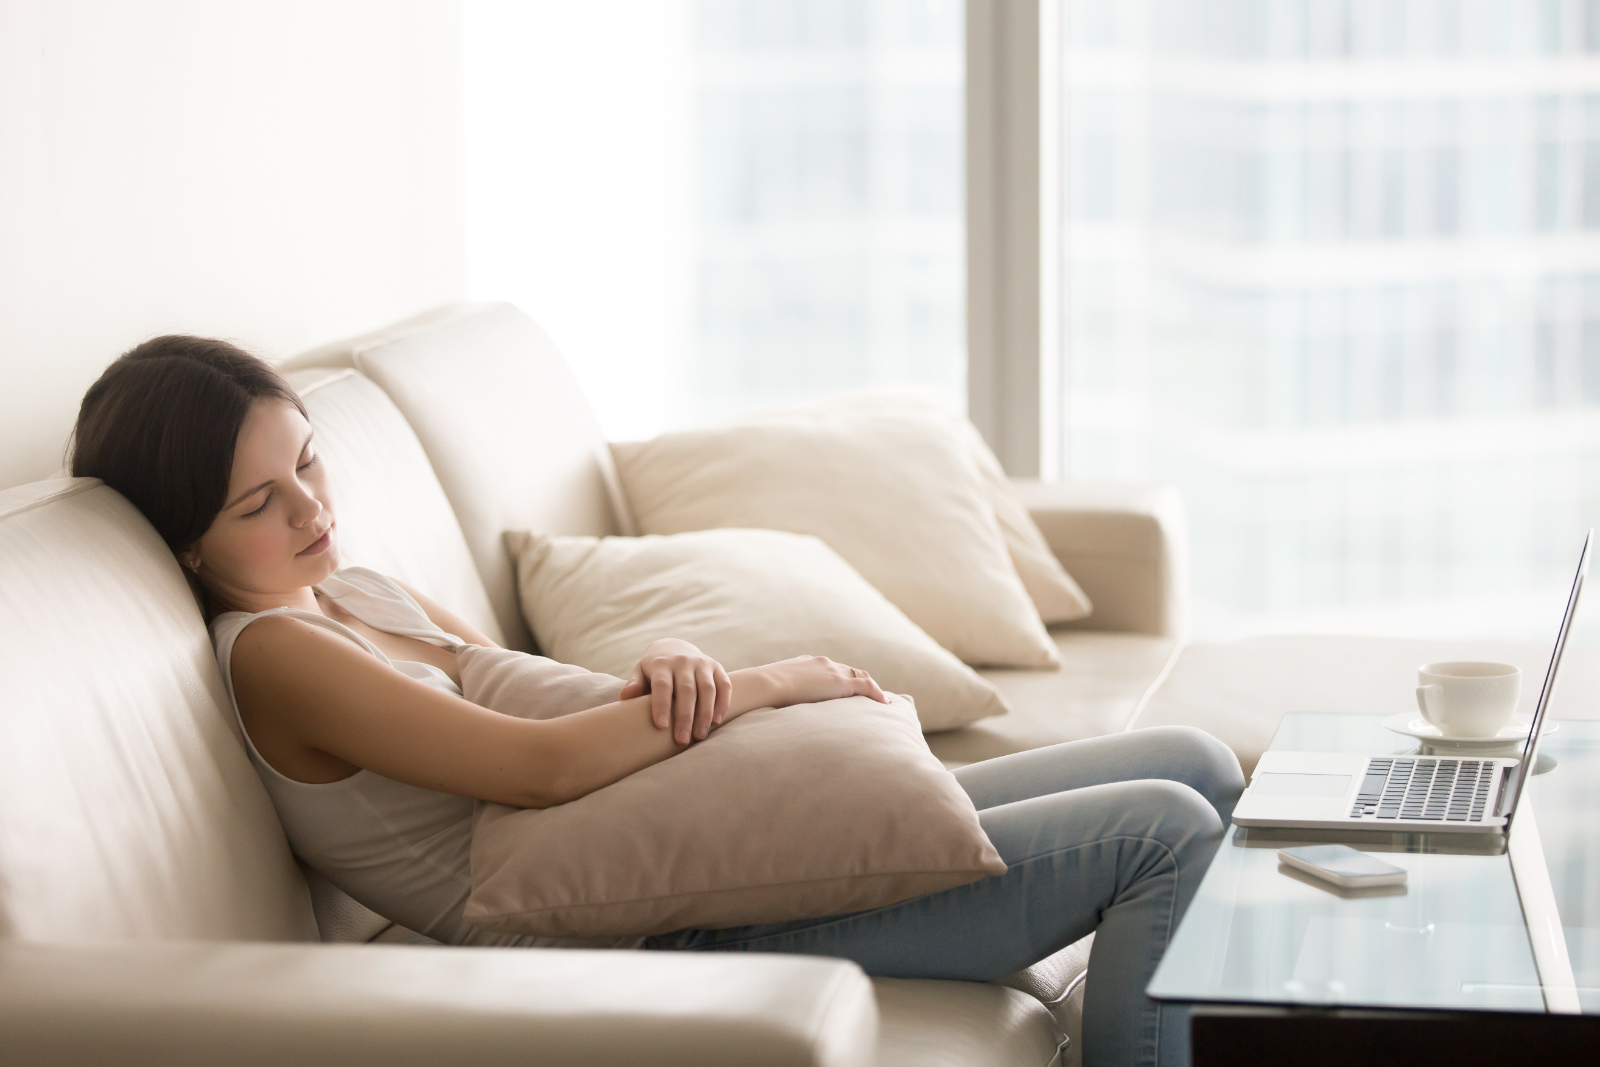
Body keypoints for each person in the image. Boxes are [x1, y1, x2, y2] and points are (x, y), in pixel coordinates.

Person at [71, 335, 1244, 1067]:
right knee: (1162, 830)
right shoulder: (274, 653)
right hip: (656, 914)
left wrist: (672, 665)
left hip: (681, 826)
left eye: (308, 461)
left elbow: (534, 697)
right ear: (187, 542)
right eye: (258, 504)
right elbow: (532, 767)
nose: (311, 508)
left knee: (1194, 757)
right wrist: (766, 681)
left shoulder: (352, 588)